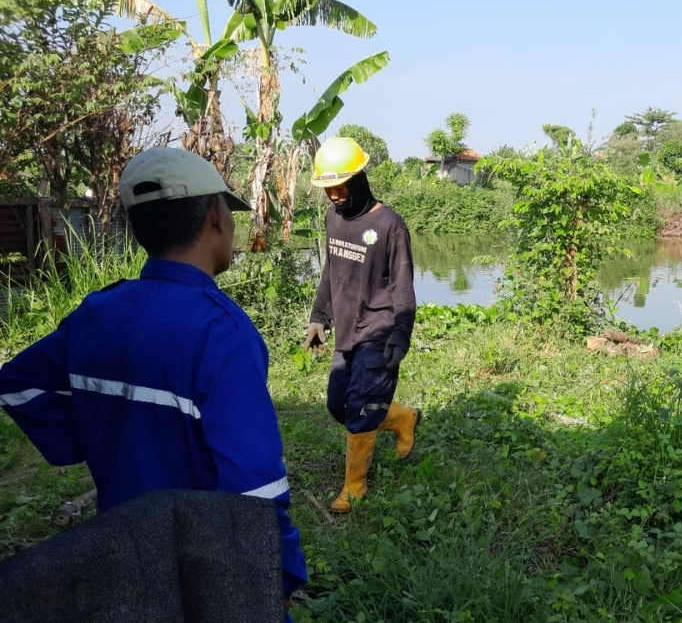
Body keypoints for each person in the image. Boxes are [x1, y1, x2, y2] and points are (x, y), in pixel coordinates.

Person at [0, 148, 307, 612]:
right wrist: (280, 576)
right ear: (216, 218)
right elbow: (257, 489)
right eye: (230, 212)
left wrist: (93, 433)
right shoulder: (220, 331)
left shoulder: (97, 312)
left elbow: (18, 384)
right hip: (205, 564)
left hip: (122, 552)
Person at [304, 136, 420, 514]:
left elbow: (402, 286)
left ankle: (354, 487)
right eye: (328, 188)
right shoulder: (333, 218)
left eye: (341, 185)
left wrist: (401, 334)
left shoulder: (390, 225)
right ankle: (402, 417)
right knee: (339, 405)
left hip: (380, 328)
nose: (335, 194)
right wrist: (319, 317)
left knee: (360, 406)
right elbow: (331, 270)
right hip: (346, 329)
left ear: (359, 179)